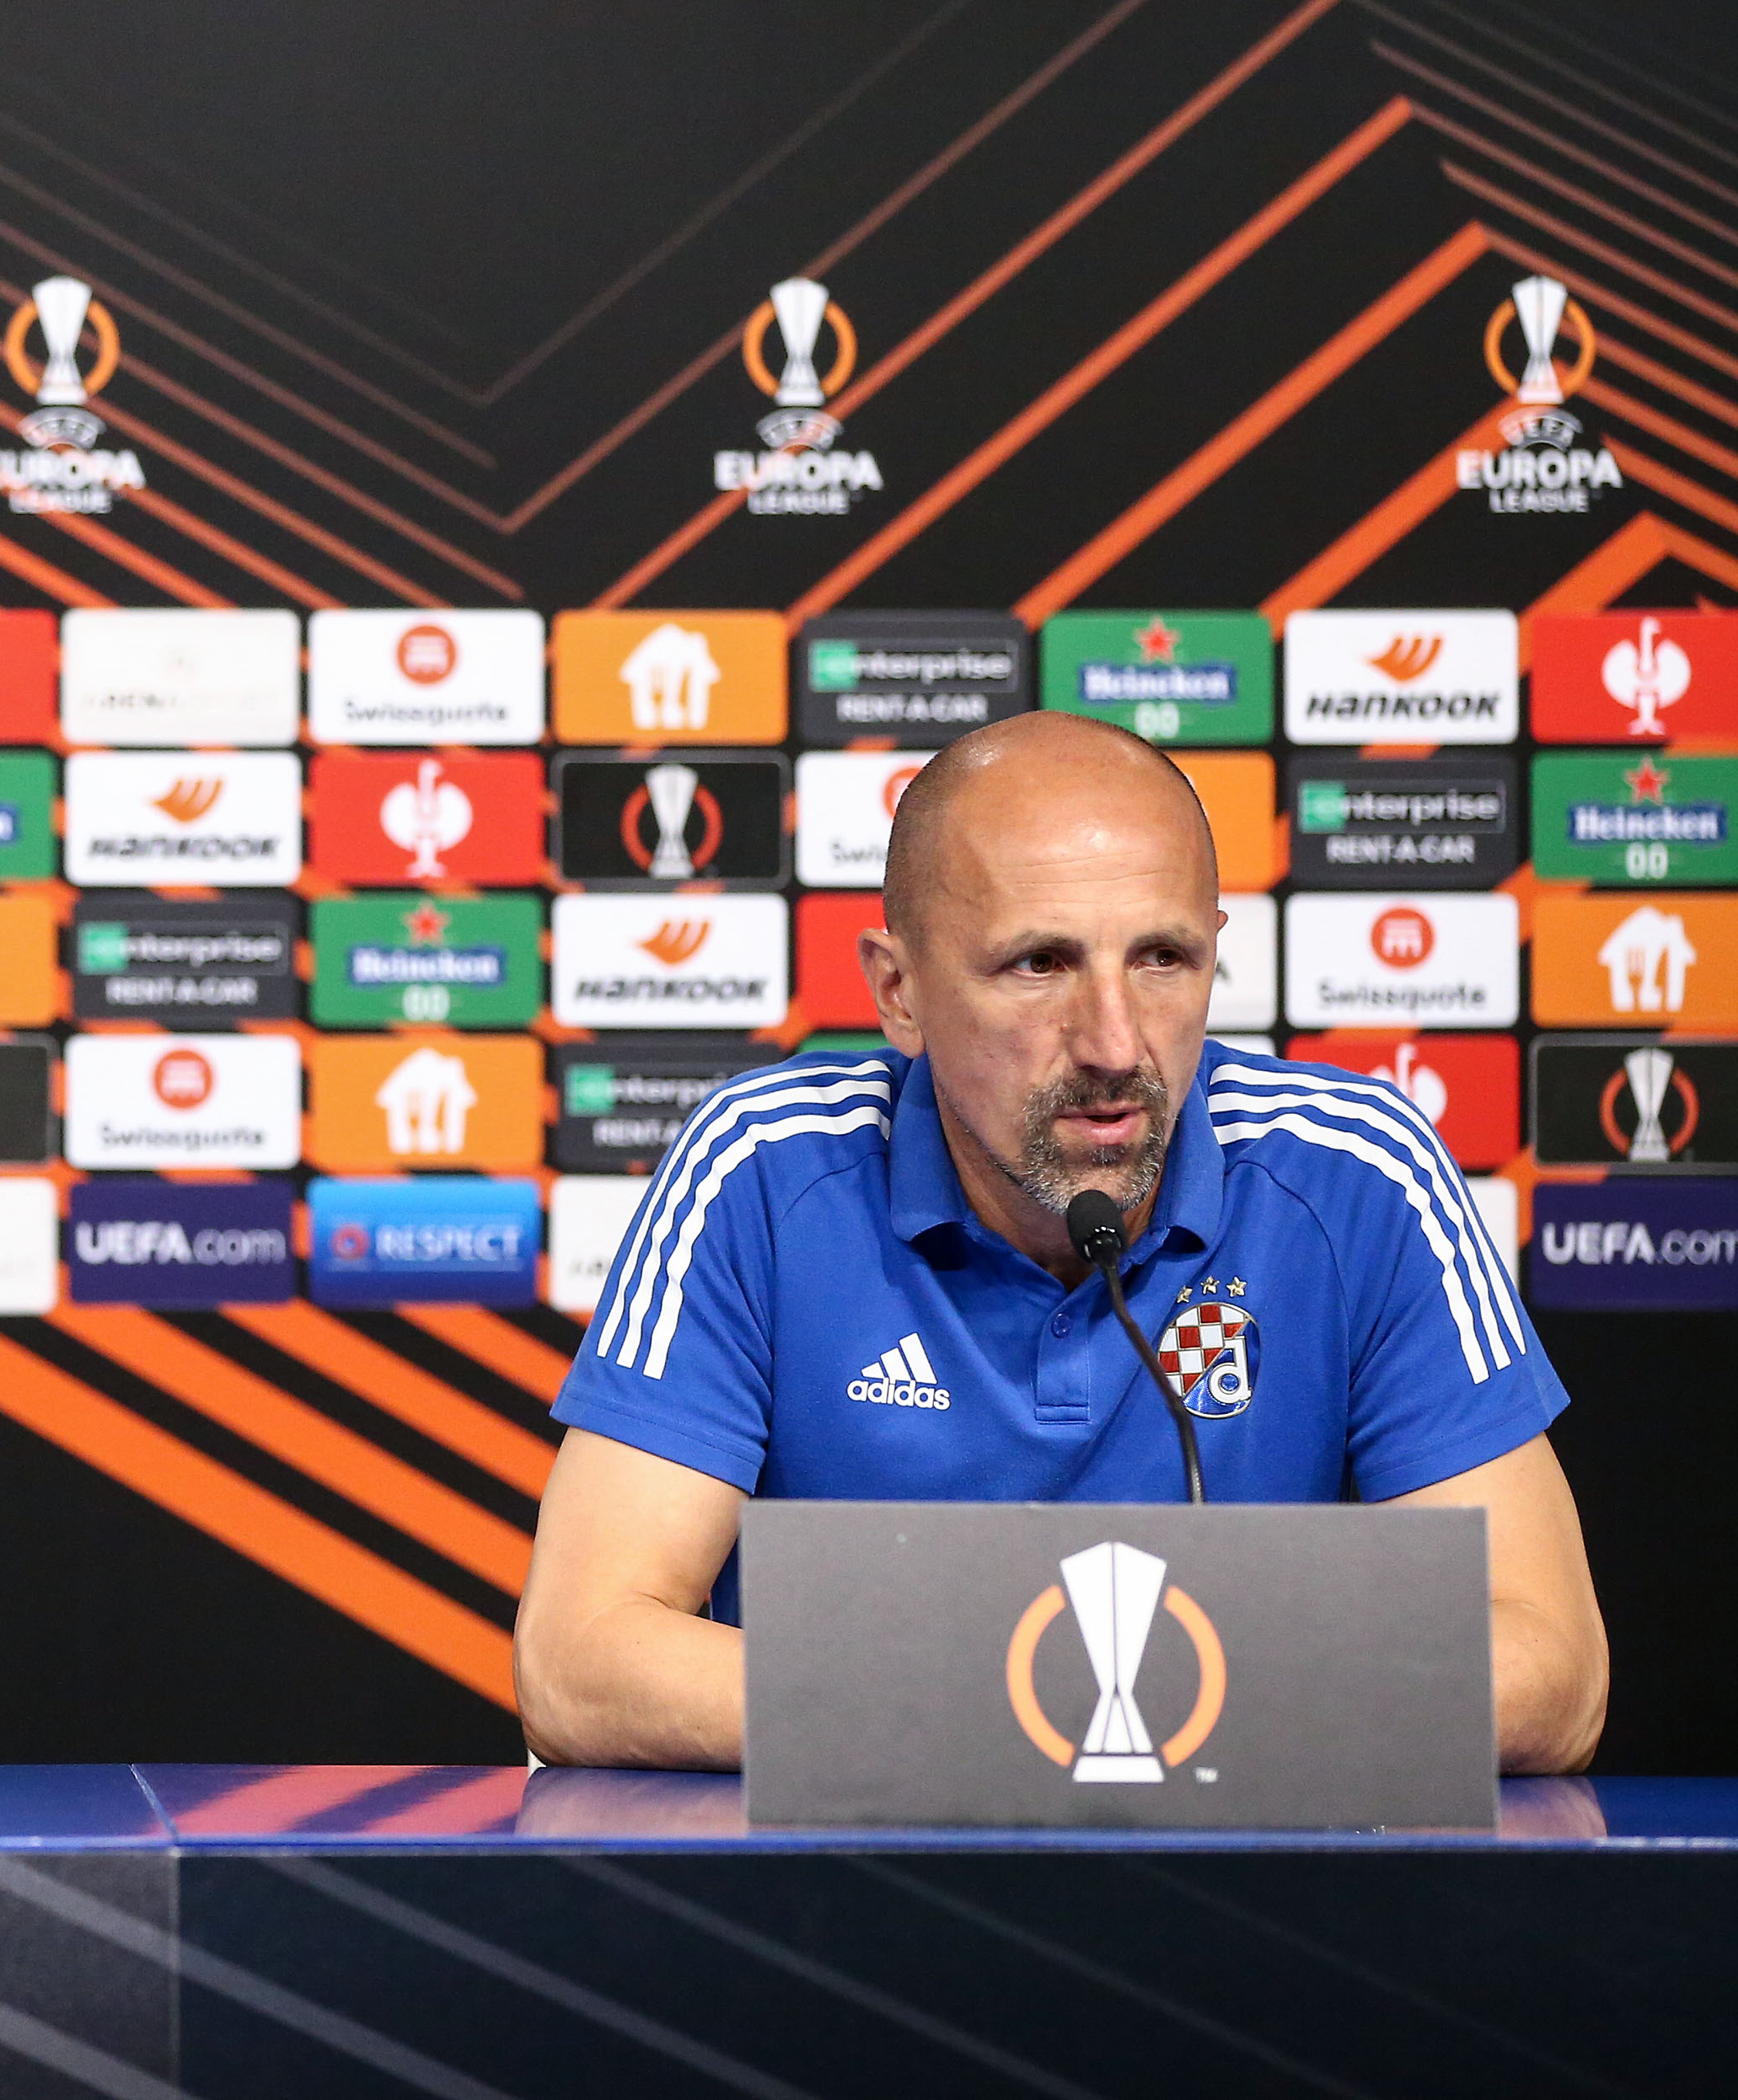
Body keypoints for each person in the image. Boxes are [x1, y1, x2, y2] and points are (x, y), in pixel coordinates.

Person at [516, 710, 1605, 1774]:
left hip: (1237, 1885)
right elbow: (579, 1659)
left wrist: (1133, 1714)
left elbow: (1553, 1675)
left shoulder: (1355, 1174)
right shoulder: (761, 1171)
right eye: (1040, 964)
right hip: (855, 1884)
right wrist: (1058, 1712)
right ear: (899, 992)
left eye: (1163, 958)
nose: (1115, 1044)